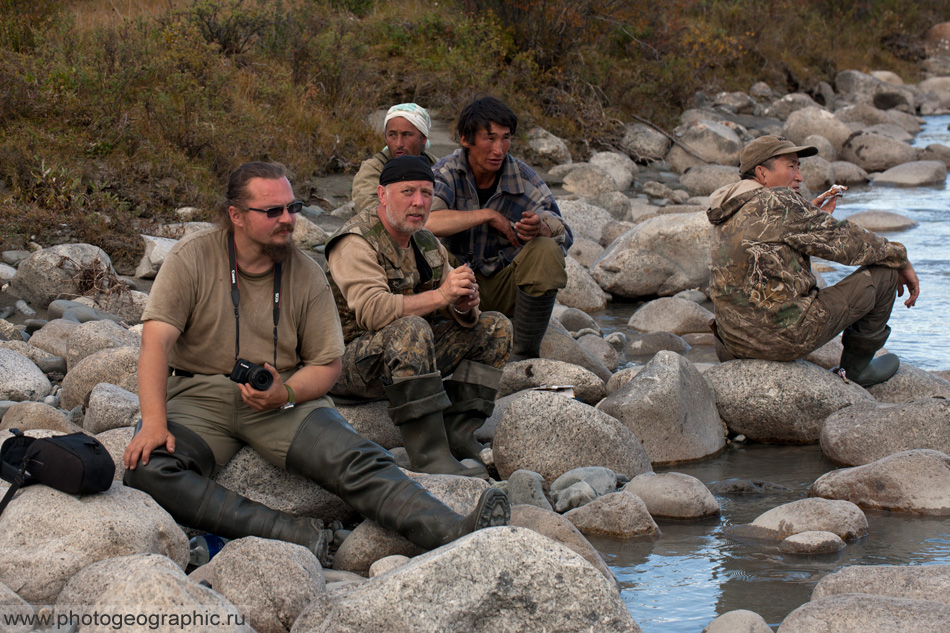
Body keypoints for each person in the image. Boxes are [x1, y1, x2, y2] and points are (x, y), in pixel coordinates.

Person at [122, 161, 509, 566]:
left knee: (357, 458)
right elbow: (155, 343)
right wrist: (153, 422)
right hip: (198, 396)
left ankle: (452, 529)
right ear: (235, 215)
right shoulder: (193, 258)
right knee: (147, 469)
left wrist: (285, 393)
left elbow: (327, 366)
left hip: (286, 395)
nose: (288, 220)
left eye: (293, 207)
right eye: (273, 211)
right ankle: (288, 532)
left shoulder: (306, 273)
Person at [326, 156, 512, 480]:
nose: (419, 202)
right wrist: (442, 296)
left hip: (406, 357)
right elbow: (373, 311)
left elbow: (454, 303)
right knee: (411, 329)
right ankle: (429, 455)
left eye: (426, 193)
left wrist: (464, 305)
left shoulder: (425, 241)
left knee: (496, 328)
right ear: (382, 195)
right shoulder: (354, 241)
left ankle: (457, 432)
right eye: (408, 192)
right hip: (347, 363)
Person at [706, 135, 920, 387]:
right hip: (780, 340)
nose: (799, 177)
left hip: (731, 342)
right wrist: (900, 258)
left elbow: (769, 245)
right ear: (762, 173)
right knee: (886, 271)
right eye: (791, 166)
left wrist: (809, 216)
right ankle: (856, 371)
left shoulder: (730, 207)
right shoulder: (780, 202)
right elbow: (848, 243)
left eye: (799, 167)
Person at [427, 96, 573, 360]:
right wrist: (487, 215)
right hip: (454, 285)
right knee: (427, 250)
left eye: (505, 138)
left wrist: (540, 227)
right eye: (489, 138)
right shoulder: (446, 172)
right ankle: (438, 337)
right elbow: (426, 222)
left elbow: (563, 229)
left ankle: (524, 354)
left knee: (546, 249)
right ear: (465, 139)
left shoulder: (521, 176)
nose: (499, 149)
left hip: (503, 286)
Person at [351, 103, 440, 213]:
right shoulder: (373, 169)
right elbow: (370, 210)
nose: (398, 144)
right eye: (392, 135)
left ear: (423, 139)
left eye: (406, 135)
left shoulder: (438, 167)